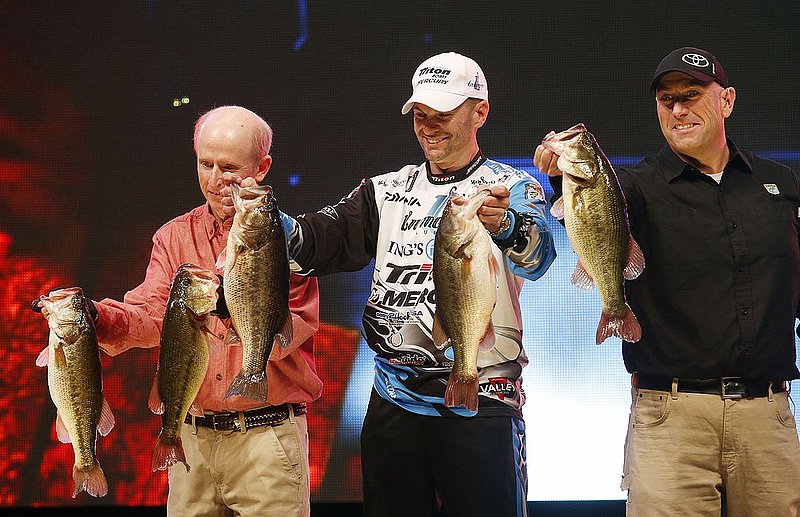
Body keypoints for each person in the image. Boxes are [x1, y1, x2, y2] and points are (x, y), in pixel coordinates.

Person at [223, 52, 556, 516]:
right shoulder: (384, 191)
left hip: (484, 403)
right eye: (421, 115)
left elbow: (538, 260)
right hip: (394, 403)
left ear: (480, 111)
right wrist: (264, 216)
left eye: (442, 115)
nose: (429, 126)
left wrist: (505, 227)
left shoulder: (512, 186)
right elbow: (315, 242)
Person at [535, 46, 800, 516]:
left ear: (728, 100)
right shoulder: (635, 186)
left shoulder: (779, 185)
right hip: (670, 419)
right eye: (666, 100)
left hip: (767, 416)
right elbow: (595, 203)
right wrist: (563, 176)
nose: (678, 109)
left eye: (692, 95)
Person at [34, 106, 321, 516]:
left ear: (262, 167)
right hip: (190, 440)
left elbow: (296, 327)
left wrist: (228, 304)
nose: (217, 179)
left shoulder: (290, 239)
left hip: (266, 439)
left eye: (230, 167)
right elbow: (150, 315)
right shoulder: (173, 237)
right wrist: (92, 318)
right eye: (206, 165)